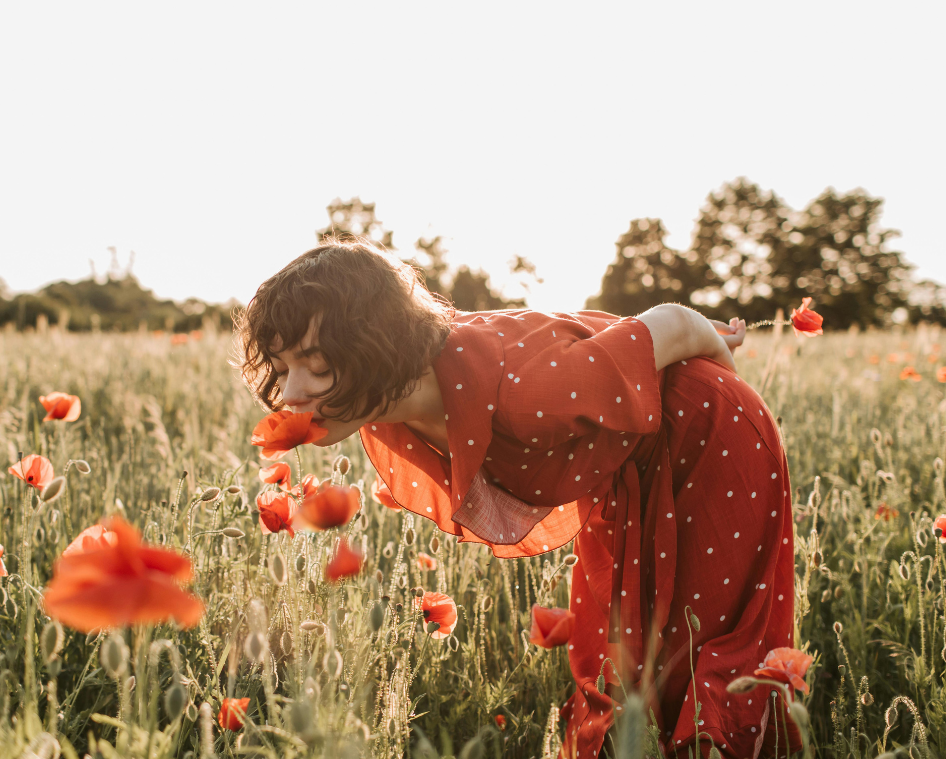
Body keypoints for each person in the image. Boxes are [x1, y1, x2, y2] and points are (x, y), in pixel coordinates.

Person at [235, 237, 800, 758]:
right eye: (284, 367)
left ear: (376, 345)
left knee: (702, 635)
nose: (290, 394)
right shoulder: (383, 403)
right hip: (630, 459)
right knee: (624, 638)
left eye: (319, 365)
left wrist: (729, 391)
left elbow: (674, 323)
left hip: (709, 435)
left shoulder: (525, 393)